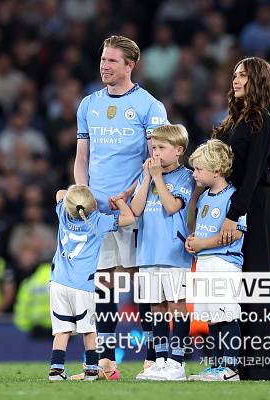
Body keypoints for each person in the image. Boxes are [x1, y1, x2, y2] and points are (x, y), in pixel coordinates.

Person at [73, 35, 168, 379]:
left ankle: (153, 358)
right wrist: (82, 193)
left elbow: (156, 160)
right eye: (103, 59)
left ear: (130, 65)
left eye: (112, 61)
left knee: (142, 283)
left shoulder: (150, 106)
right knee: (103, 284)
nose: (105, 66)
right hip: (98, 212)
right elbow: (82, 157)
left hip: (135, 209)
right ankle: (107, 361)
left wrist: (130, 194)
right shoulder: (88, 105)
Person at [213, 57, 270, 380]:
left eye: (243, 75)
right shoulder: (235, 120)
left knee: (259, 284)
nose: (236, 80)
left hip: (256, 206)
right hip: (238, 204)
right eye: (235, 75)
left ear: (258, 80)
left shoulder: (262, 120)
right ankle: (239, 364)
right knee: (238, 287)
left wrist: (233, 214)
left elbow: (254, 173)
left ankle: (264, 367)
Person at [48, 184, 135, 382]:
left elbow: (60, 193)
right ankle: (91, 369)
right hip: (84, 286)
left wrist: (75, 195)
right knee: (89, 329)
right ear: (93, 204)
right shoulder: (98, 220)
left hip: (58, 283)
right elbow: (129, 218)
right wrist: (120, 201)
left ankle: (56, 369)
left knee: (62, 329)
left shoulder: (63, 213)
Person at [130, 125, 194, 381]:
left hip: (173, 251)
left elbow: (171, 206)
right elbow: (135, 210)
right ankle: (159, 360)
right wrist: (147, 178)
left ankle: (177, 362)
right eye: (153, 147)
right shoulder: (146, 175)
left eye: (161, 148)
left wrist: (157, 177)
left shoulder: (185, 176)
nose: (155, 153)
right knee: (156, 307)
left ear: (178, 150)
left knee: (176, 305)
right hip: (147, 251)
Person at [185, 139, 246, 382]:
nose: (195, 173)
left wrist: (202, 244)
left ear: (217, 170)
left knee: (226, 315)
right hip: (204, 262)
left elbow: (236, 233)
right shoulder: (203, 197)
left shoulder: (233, 197)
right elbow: (201, 229)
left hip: (224, 263)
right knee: (213, 318)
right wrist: (193, 240)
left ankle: (231, 368)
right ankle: (216, 366)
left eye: (199, 168)